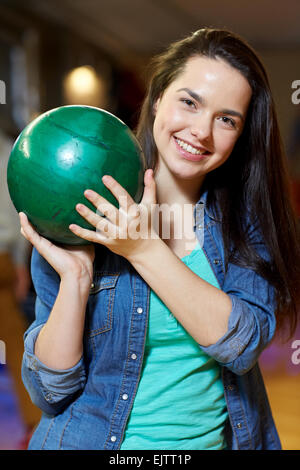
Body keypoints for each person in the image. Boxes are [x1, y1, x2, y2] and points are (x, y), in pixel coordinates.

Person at [19, 28, 300, 450]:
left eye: (227, 119)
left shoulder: (245, 224)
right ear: (158, 98)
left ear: (241, 135)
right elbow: (51, 392)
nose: (201, 131)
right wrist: (76, 281)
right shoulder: (82, 209)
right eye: (190, 102)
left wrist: (144, 248)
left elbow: (240, 343)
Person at [0, 129, 41, 446]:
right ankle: (33, 421)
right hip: (3, 253)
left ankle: (33, 421)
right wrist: (17, 264)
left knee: (14, 338)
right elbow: (15, 216)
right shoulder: (7, 151)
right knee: (15, 339)